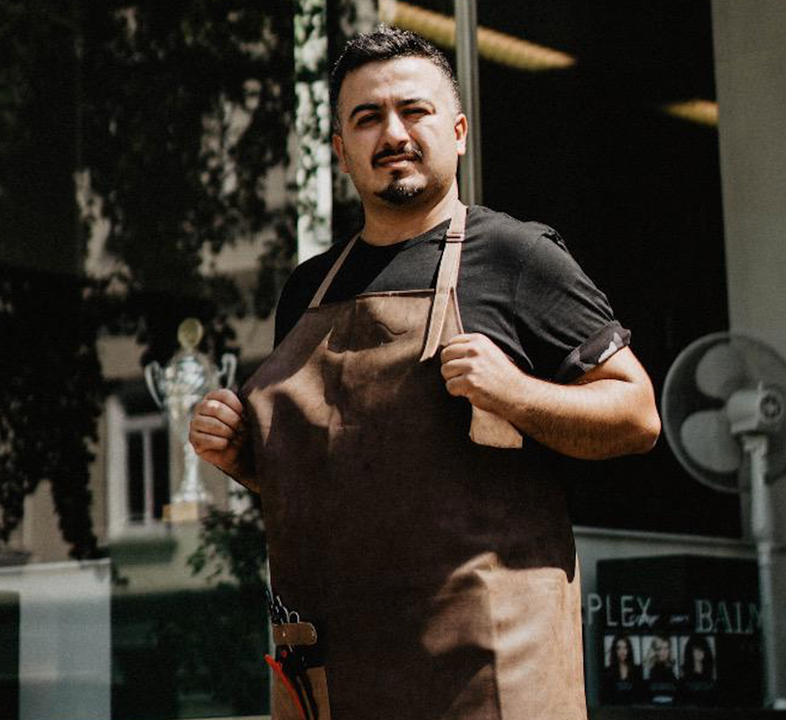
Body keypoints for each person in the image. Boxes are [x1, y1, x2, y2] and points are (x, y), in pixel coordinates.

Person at [189, 26, 659, 720]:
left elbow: (638, 416)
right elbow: (343, 476)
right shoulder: (309, 288)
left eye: (415, 111)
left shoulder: (517, 257)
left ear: (460, 131)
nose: (394, 133)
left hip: (487, 672)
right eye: (368, 117)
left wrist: (517, 392)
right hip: (333, 673)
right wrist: (242, 456)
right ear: (342, 151)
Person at [600, 634, 644, 704]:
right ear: (615, 650)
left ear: (629, 650)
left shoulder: (637, 670)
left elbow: (640, 695)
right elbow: (606, 697)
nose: (622, 652)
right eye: (619, 648)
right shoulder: (608, 672)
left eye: (625, 648)